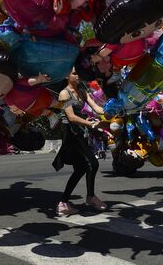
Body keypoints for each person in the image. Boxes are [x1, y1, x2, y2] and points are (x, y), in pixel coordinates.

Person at [52, 68, 108, 216]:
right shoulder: (65, 93)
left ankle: (63, 203)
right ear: (66, 75)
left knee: (80, 169)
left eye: (79, 73)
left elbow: (97, 108)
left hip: (80, 132)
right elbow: (71, 117)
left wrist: (112, 110)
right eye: (75, 73)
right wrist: (92, 125)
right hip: (71, 133)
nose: (78, 76)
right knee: (92, 164)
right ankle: (91, 197)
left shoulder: (82, 90)